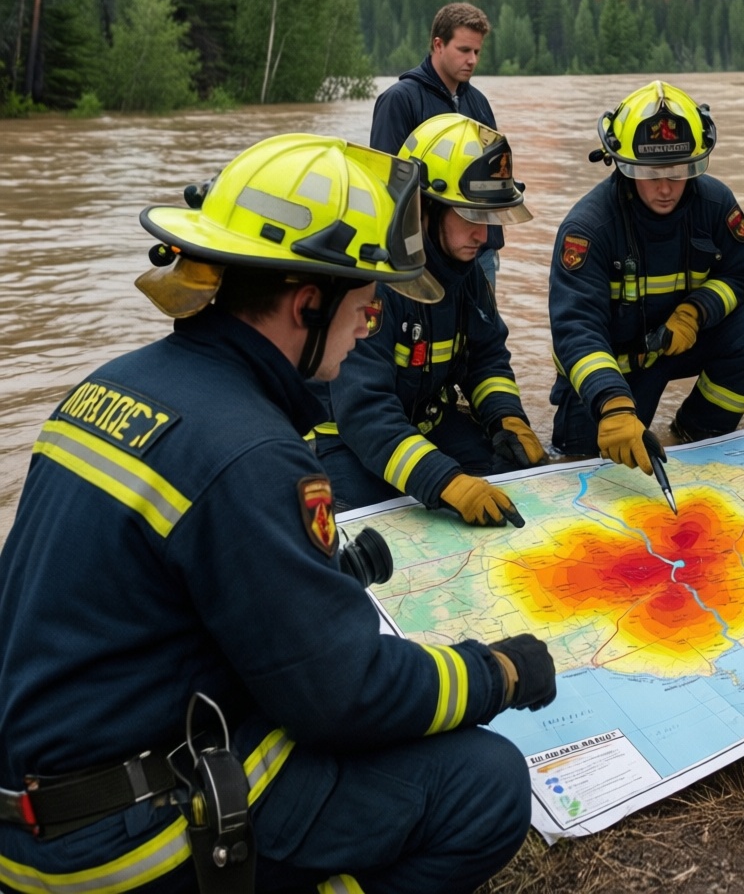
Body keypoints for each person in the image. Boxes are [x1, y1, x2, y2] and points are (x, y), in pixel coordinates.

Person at [0, 135, 554, 894]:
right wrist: (496, 672)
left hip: (42, 802)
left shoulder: (109, 386)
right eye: (364, 307)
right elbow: (347, 697)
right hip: (126, 840)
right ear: (306, 302)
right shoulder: (252, 451)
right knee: (485, 784)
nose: (368, 328)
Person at [317, 113, 549, 523]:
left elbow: (486, 357)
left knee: (517, 481)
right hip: (349, 442)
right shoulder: (372, 283)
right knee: (363, 524)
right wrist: (444, 481)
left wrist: (505, 417)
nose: (486, 236)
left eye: (491, 218)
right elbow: (365, 413)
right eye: (472, 217)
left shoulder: (464, 271)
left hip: (430, 424)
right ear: (424, 207)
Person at [549, 80, 744, 468]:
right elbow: (576, 331)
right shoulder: (589, 228)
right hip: (616, 369)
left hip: (677, 346)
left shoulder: (714, 204)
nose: (665, 189)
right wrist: (612, 404)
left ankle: (697, 433)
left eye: (678, 172)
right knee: (586, 461)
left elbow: (743, 275)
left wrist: (695, 313)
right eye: (651, 174)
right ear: (624, 166)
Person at [371, 1, 503, 290]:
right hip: (424, 256)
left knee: (485, 333)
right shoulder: (399, 100)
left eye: (477, 52)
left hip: (481, 253)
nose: (472, 60)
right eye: (464, 50)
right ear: (438, 44)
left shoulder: (478, 103)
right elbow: (386, 184)